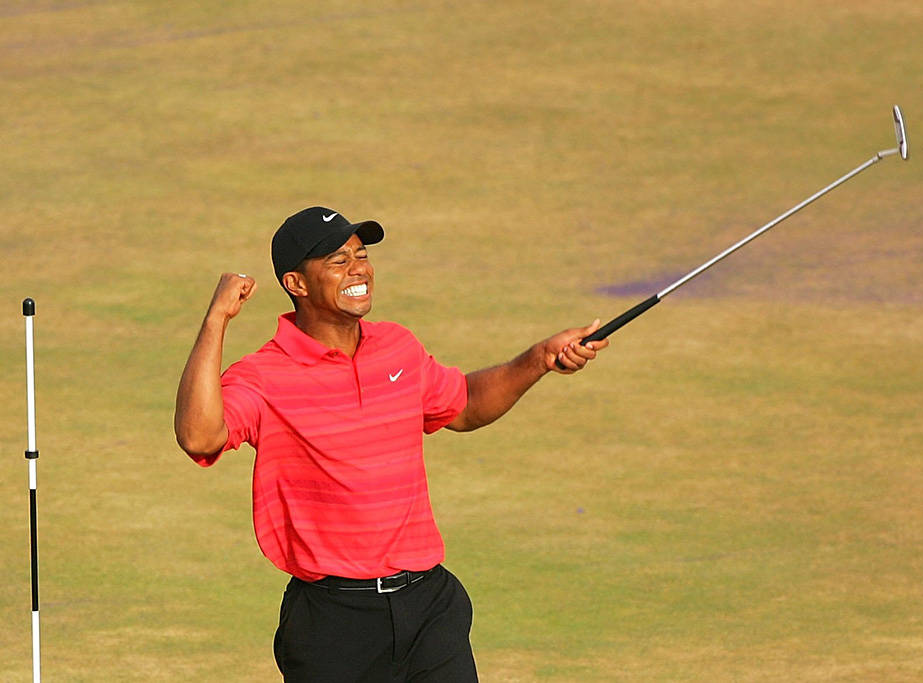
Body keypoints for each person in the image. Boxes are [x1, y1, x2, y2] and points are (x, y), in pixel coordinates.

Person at [174, 206, 608, 682]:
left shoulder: (398, 347)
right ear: (297, 284)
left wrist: (539, 359)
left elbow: (463, 405)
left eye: (360, 255)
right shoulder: (264, 375)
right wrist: (217, 319)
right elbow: (199, 435)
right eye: (338, 261)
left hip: (429, 607)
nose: (358, 269)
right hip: (334, 622)